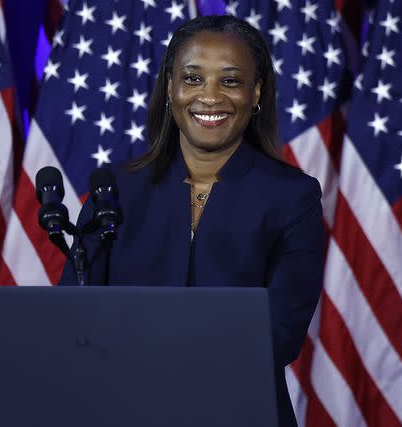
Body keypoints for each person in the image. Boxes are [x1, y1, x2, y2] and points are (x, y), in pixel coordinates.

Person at [59, 15, 324, 427]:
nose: (210, 97)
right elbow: (75, 324)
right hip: (126, 412)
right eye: (193, 79)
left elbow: (281, 335)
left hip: (240, 414)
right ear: (170, 89)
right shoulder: (114, 191)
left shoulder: (293, 197)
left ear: (256, 94)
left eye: (231, 81)